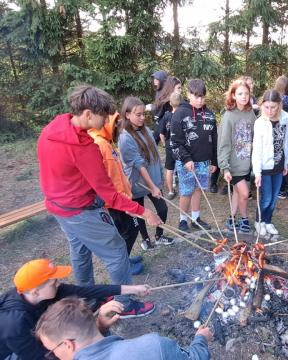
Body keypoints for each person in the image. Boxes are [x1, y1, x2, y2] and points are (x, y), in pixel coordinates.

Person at [37, 85, 159, 317]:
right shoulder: (84, 149)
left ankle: (87, 299)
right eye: (103, 116)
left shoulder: (53, 127)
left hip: (57, 207)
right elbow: (110, 195)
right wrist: (144, 213)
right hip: (79, 211)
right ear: (88, 114)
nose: (105, 122)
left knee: (80, 251)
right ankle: (125, 304)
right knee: (116, 252)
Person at [0, 259, 151, 360]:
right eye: (54, 282)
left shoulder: (47, 292)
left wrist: (133, 289)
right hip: (12, 353)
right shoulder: (14, 324)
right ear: (35, 292)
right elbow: (37, 357)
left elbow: (89, 291)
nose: (59, 284)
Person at [35, 297, 212, 360]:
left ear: (68, 345)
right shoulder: (154, 346)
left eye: (52, 352)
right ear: (67, 344)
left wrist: (101, 329)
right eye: (52, 353)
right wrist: (201, 339)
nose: (54, 356)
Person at [88, 112, 144, 275]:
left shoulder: (103, 141)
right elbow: (111, 175)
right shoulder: (102, 144)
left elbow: (116, 172)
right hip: (117, 202)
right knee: (129, 231)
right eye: (115, 124)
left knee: (125, 232)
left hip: (117, 199)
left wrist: (127, 183)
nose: (118, 128)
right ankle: (124, 264)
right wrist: (123, 195)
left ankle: (125, 259)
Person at [118, 97, 174, 250]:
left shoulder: (146, 130)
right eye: (138, 114)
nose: (142, 117)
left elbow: (154, 157)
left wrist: (159, 179)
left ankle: (159, 235)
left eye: (143, 114)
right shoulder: (125, 138)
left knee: (163, 208)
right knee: (140, 212)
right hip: (137, 182)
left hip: (152, 180)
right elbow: (139, 165)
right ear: (127, 114)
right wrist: (153, 187)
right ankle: (146, 239)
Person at [170, 79, 218, 232]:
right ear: (188, 94)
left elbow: (214, 139)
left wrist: (214, 161)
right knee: (186, 191)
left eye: (202, 97)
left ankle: (195, 219)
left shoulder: (209, 115)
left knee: (199, 190)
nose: (199, 100)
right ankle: (183, 220)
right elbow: (175, 142)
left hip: (204, 162)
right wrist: (186, 159)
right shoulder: (180, 113)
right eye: (196, 96)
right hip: (186, 162)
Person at [218, 79, 256, 233]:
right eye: (240, 93)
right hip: (233, 165)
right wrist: (225, 167)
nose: (244, 96)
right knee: (245, 194)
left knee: (237, 193)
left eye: (246, 93)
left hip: (246, 163)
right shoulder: (229, 116)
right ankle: (244, 218)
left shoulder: (251, 113)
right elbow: (224, 143)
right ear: (233, 95)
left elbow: (254, 136)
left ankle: (232, 218)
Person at [252, 90, 288, 237]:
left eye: (273, 107)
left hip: (279, 165)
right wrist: (257, 172)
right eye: (266, 107)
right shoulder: (260, 123)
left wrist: (286, 164)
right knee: (266, 197)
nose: (269, 111)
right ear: (262, 106)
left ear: (279, 105)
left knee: (274, 198)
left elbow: (286, 144)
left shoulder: (285, 120)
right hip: (265, 167)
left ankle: (268, 222)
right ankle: (259, 221)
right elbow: (256, 150)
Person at [160, 92, 183, 200]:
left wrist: (165, 144)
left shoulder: (166, 115)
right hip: (181, 145)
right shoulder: (182, 116)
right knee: (182, 167)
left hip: (169, 144)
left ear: (170, 103)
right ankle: (184, 189)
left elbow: (161, 133)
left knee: (169, 169)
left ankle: (170, 191)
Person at [153, 76, 182, 145]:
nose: (181, 90)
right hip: (162, 131)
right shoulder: (164, 103)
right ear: (171, 88)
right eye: (178, 88)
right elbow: (158, 119)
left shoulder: (181, 102)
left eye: (181, 88)